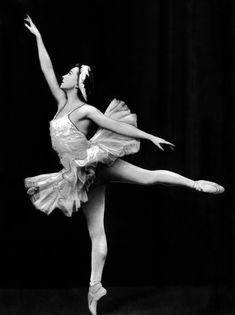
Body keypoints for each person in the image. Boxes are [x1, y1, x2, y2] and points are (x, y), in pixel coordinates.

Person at [23, 15, 224, 315]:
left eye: (70, 73)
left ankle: (194, 184)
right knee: (96, 233)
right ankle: (95, 287)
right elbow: (46, 68)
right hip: (81, 177)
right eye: (65, 72)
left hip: (95, 164)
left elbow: (118, 128)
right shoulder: (59, 102)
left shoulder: (84, 110)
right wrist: (38, 37)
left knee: (147, 178)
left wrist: (149, 136)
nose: (63, 75)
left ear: (77, 83)